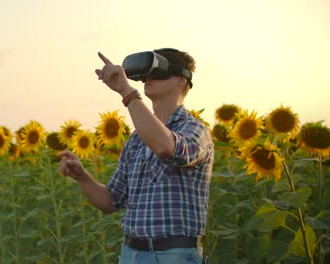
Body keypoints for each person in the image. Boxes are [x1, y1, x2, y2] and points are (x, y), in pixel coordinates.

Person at [58, 48, 214, 264]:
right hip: (131, 253)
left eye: (159, 72)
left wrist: (127, 92)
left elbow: (165, 147)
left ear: (181, 80)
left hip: (174, 255)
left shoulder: (195, 130)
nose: (148, 79)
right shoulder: (137, 139)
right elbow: (110, 201)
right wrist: (81, 176)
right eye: (147, 74)